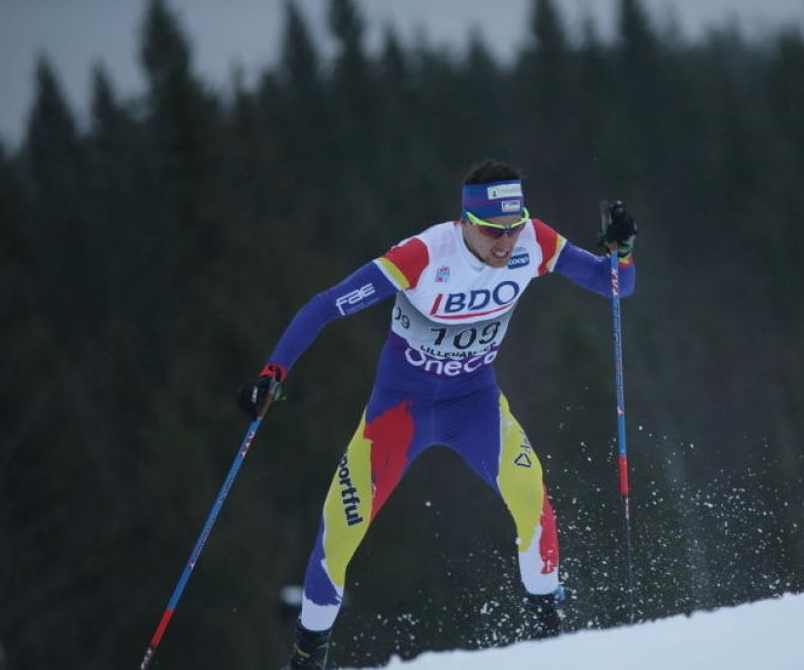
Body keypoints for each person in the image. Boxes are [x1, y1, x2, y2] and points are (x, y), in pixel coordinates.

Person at [238, 159, 638, 670]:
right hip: (399, 414)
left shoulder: (534, 241)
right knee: (336, 537)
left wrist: (622, 252)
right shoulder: (422, 255)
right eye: (494, 231)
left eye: (514, 227)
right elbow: (325, 306)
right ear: (466, 222)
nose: (507, 243)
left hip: (474, 405)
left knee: (533, 499)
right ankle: (306, 656)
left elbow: (615, 287)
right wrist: (274, 371)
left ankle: (549, 648)